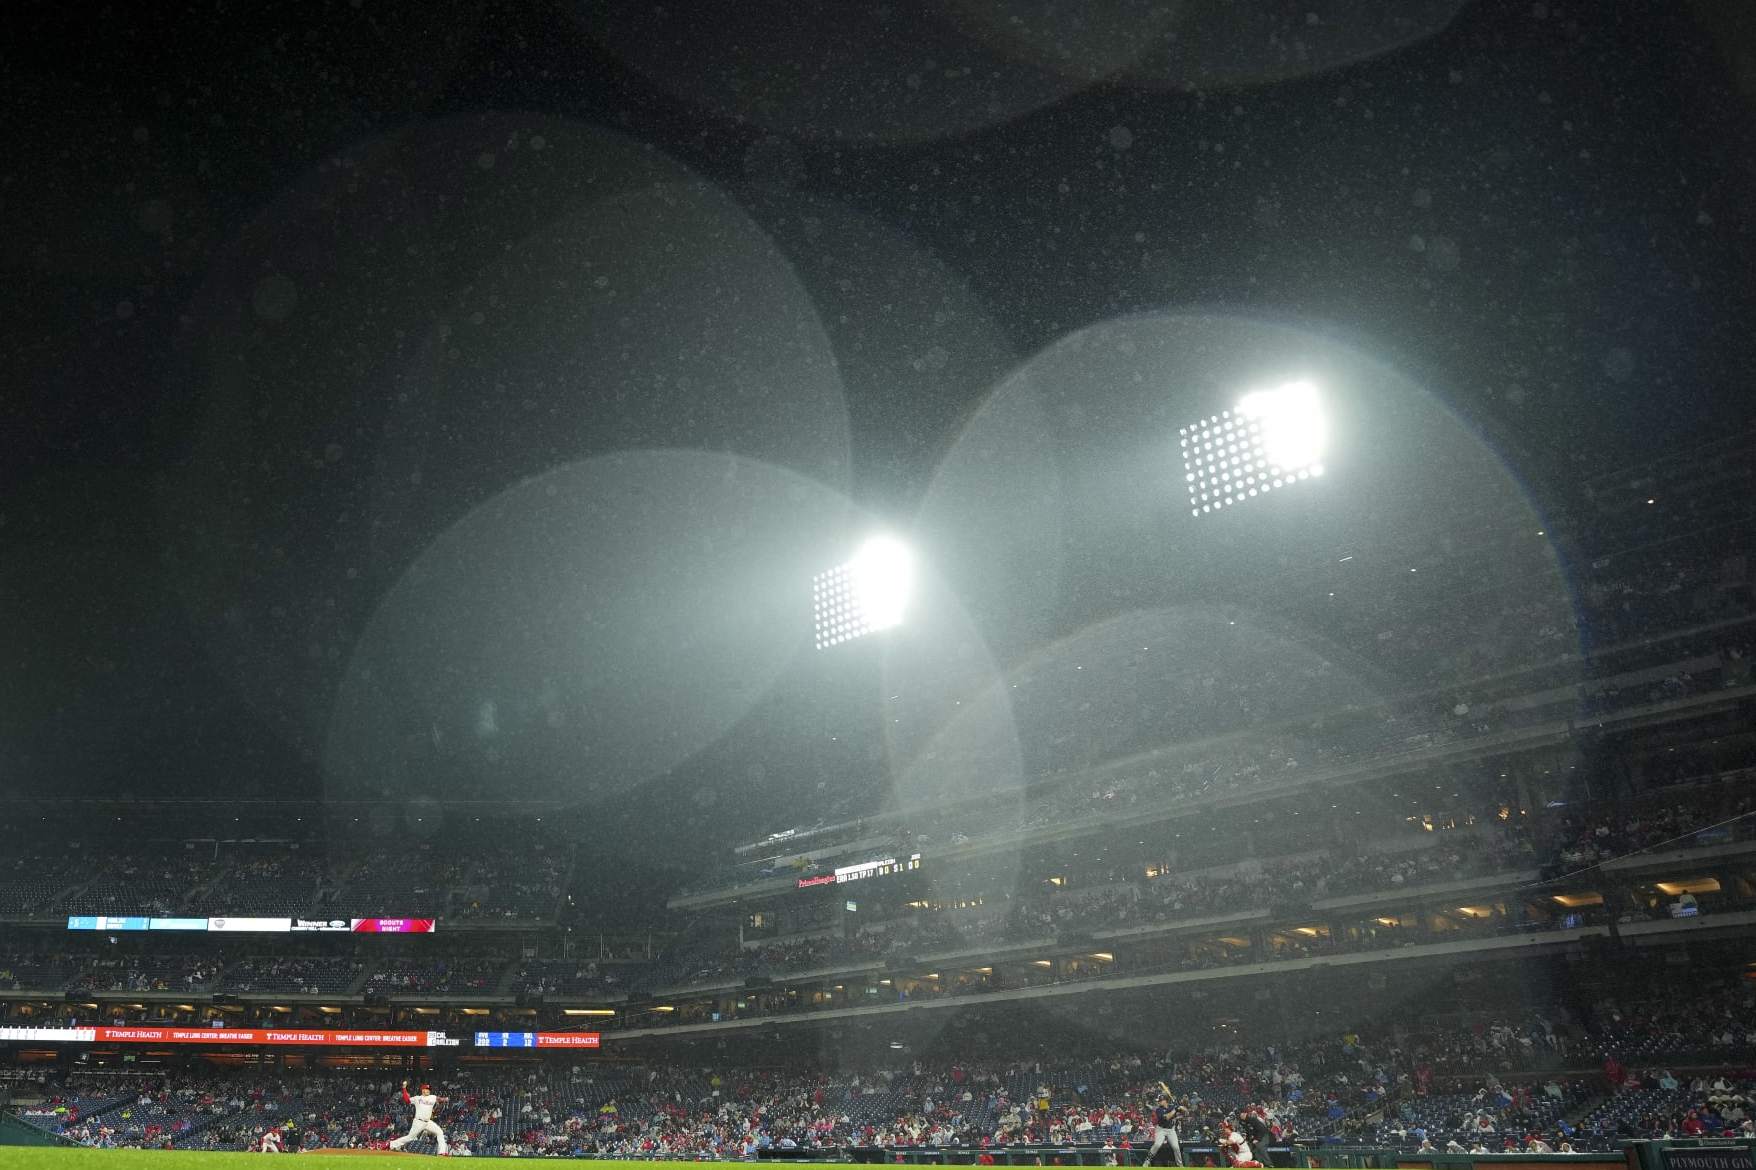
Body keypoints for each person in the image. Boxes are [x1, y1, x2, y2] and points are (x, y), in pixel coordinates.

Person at [389, 1080, 449, 1155]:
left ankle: (442, 1152)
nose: (427, 1091)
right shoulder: (417, 1098)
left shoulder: (432, 1097)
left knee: (440, 1132)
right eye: (426, 1089)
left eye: (428, 1090)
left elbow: (440, 1099)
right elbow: (407, 1100)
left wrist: (445, 1099)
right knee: (410, 1137)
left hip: (427, 1122)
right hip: (419, 1122)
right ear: (422, 1090)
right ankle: (391, 1144)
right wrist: (404, 1089)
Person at [1145, 1093, 1181, 1166]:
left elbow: (1185, 1111)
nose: (1158, 1102)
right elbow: (1167, 1117)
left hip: (1171, 1130)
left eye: (1160, 1100)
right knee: (1157, 1145)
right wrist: (1175, 1109)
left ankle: (1180, 1165)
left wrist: (1180, 1107)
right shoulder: (1158, 1109)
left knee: (1176, 1147)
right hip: (1161, 1129)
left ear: (1165, 1101)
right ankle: (1146, 1162)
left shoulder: (1171, 1106)